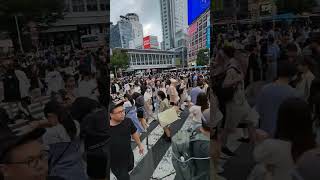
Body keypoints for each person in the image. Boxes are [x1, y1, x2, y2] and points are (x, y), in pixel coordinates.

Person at [43, 101, 87, 180]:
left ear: (51, 115)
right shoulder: (75, 123)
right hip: (79, 167)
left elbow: (46, 157)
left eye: (48, 117)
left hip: (61, 173)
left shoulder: (49, 133)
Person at [255, 62, 299, 137]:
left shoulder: (265, 89)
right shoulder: (293, 93)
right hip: (283, 134)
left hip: (264, 131)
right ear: (292, 75)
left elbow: (258, 110)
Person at [109, 101, 144, 180]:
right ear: (111, 115)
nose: (123, 113)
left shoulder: (127, 121)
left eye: (123, 111)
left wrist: (139, 144)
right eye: (119, 112)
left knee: (129, 168)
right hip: (116, 162)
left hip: (128, 155)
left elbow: (134, 132)